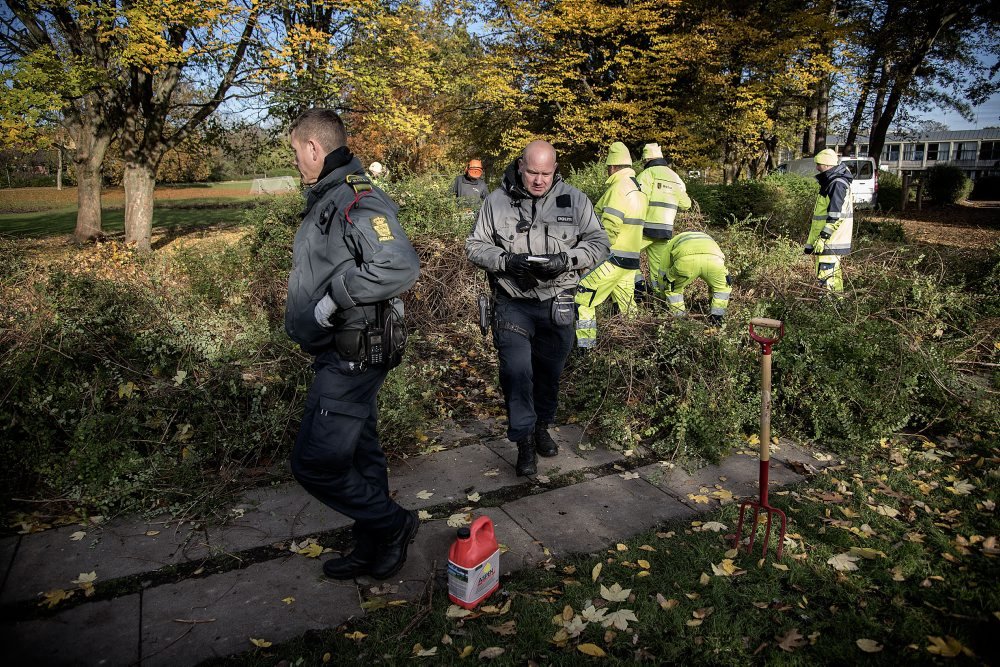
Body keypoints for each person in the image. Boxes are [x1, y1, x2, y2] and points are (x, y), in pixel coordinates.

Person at [285, 109, 421, 581]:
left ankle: (394, 524)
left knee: (314, 463)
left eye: (296, 151)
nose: (296, 161)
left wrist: (332, 300)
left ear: (314, 148)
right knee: (362, 456)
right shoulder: (328, 196)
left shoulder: (357, 199)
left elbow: (399, 265)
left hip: (353, 353)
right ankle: (374, 546)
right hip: (341, 348)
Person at [466, 140, 608, 476]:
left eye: (546, 172)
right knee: (517, 373)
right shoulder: (497, 201)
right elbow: (474, 246)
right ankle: (524, 441)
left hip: (558, 302)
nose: (539, 179)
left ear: (555, 169)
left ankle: (542, 425)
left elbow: (600, 242)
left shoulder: (574, 200)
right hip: (512, 303)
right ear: (520, 166)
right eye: (532, 172)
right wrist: (506, 261)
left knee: (549, 375)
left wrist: (566, 259)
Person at [574, 142, 647, 349]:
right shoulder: (638, 189)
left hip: (611, 259)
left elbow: (609, 229)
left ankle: (585, 349)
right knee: (628, 308)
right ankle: (636, 349)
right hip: (630, 261)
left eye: (608, 166)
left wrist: (591, 257)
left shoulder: (618, 189)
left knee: (583, 297)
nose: (607, 170)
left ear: (613, 167)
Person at [636, 142, 691, 294]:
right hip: (665, 230)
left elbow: (637, 199)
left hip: (644, 228)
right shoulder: (675, 177)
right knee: (658, 269)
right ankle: (659, 298)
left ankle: (638, 285)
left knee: (625, 255)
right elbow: (686, 204)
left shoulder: (647, 174)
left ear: (646, 160)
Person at [805, 148, 854, 292]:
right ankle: (837, 305)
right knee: (833, 276)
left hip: (831, 240)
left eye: (819, 164)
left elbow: (835, 215)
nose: (817, 167)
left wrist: (823, 237)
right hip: (833, 239)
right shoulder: (835, 181)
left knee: (826, 276)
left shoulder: (836, 183)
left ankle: (827, 307)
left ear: (826, 165)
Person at [657, 231, 731, 325]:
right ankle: (716, 320)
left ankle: (681, 322)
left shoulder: (673, 241)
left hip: (686, 263)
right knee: (721, 289)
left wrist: (662, 296)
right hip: (714, 262)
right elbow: (721, 257)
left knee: (674, 291)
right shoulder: (707, 237)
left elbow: (663, 269)